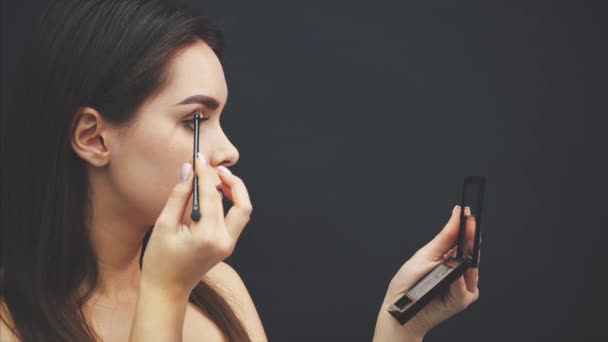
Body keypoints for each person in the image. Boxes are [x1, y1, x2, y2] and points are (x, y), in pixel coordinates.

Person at [0, 0, 479, 341]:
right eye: (194, 119)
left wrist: (400, 327)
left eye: (220, 118)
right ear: (93, 137)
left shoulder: (218, 288)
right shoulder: (10, 321)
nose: (228, 150)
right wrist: (165, 292)